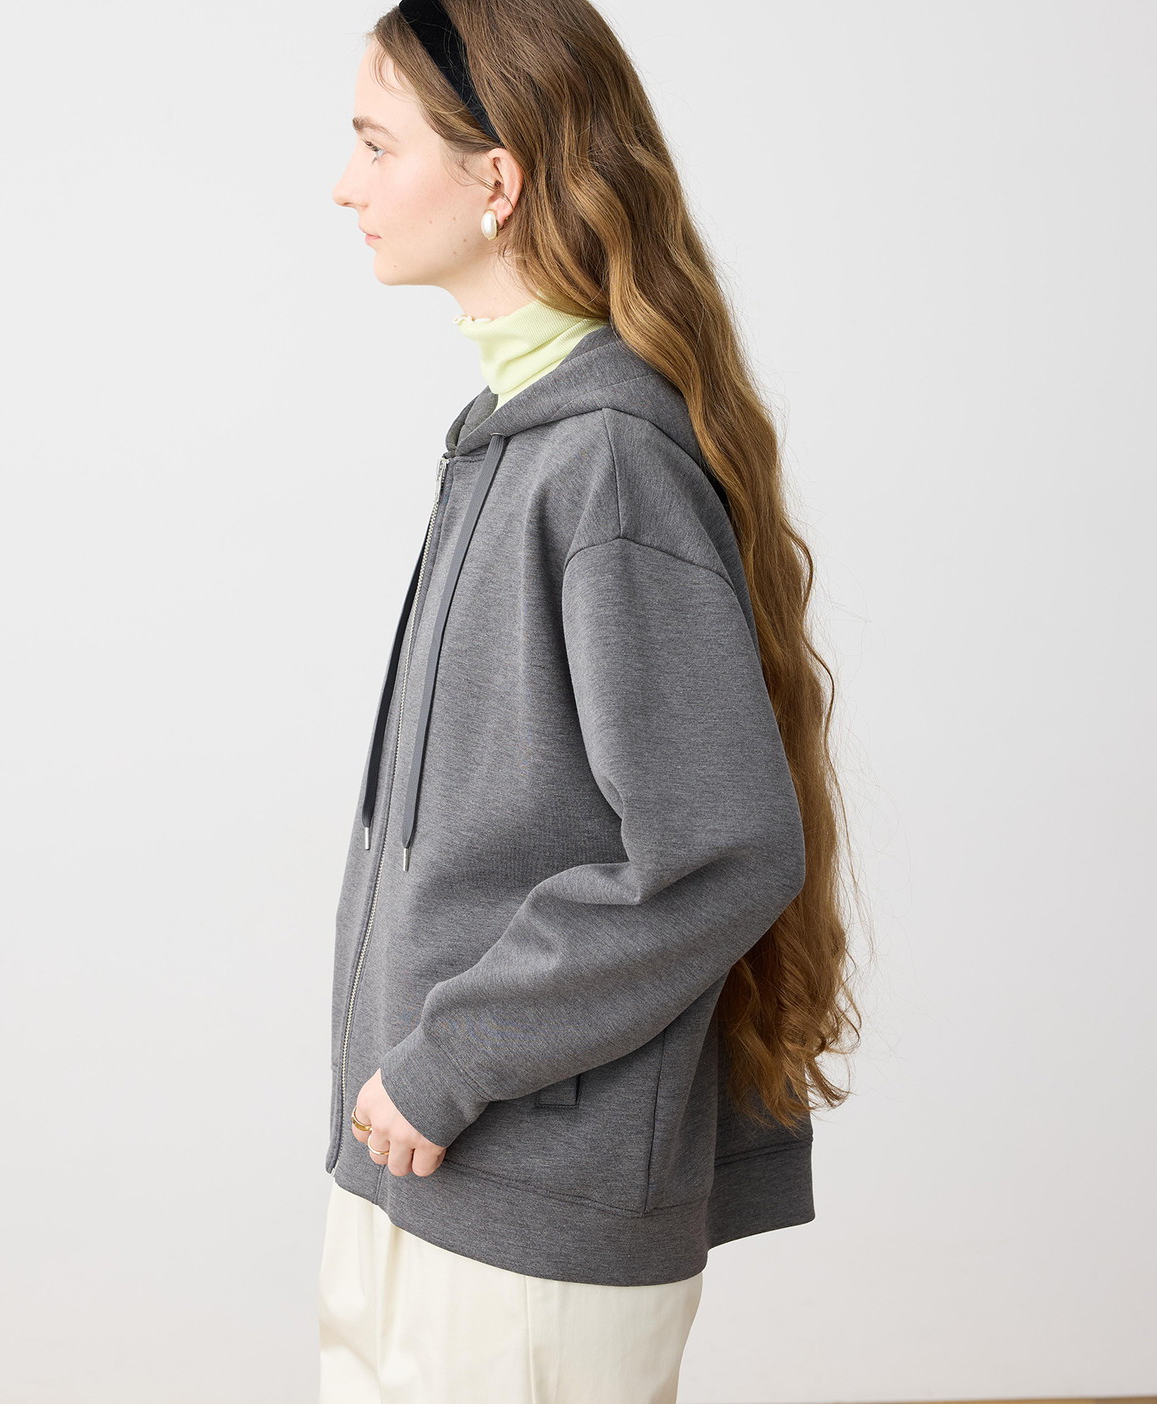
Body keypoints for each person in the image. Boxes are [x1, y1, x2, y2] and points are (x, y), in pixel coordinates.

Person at [321, 0, 860, 1399]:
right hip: (425, 1170)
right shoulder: (508, 441)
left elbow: (720, 847)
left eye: (375, 145)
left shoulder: (604, 462)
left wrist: (445, 1062)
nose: (344, 185)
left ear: (494, 179)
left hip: (523, 1204)